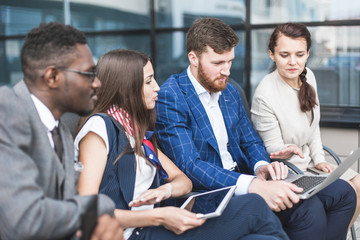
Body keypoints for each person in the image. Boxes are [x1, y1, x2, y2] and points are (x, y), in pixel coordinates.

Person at [155, 17, 356, 240]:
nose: (226, 71)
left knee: (343, 193)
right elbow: (190, 165)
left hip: (248, 179)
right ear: (193, 58)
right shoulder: (171, 96)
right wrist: (252, 184)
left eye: (230, 61)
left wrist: (261, 165)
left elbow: (251, 141)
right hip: (211, 194)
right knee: (306, 207)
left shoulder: (229, 92)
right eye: (218, 63)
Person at [75, 49, 290, 240]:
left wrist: (165, 191)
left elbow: (183, 181)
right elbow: (87, 209)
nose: (157, 88)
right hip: (131, 233)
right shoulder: (100, 128)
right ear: (124, 88)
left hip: (153, 224)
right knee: (253, 205)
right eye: (149, 81)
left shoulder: (134, 132)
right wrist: (159, 216)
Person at [0, 22, 123, 240]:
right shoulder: (6, 111)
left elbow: (63, 211)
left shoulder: (61, 132)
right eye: (88, 73)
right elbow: (26, 219)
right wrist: (100, 206)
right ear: (52, 77)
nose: (97, 83)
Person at [251, 22, 360, 228]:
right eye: (285, 55)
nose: (293, 62)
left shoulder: (308, 75)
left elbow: (313, 126)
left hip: (310, 166)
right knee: (347, 191)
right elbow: (271, 148)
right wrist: (286, 150)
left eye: (300, 54)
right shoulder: (265, 95)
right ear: (272, 55)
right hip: (290, 171)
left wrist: (319, 159)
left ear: (308, 53)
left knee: (359, 184)